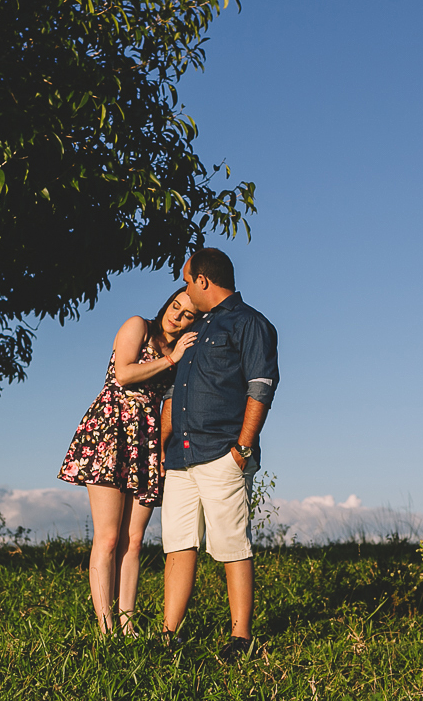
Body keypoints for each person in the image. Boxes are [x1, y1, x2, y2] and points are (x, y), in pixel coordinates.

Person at [159, 248, 278, 663]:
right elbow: (176, 393)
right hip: (180, 458)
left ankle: (240, 638)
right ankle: (167, 636)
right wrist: (161, 448)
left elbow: (260, 385)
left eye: (188, 280)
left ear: (204, 281)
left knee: (231, 545)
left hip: (221, 454)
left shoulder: (249, 323)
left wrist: (242, 449)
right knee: (177, 544)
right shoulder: (195, 332)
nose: (186, 288)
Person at [57, 288, 199, 635]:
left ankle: (127, 625)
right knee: (107, 538)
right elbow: (123, 374)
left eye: (187, 314)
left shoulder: (179, 350)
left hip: (146, 441)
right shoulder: (139, 326)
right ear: (166, 302)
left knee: (133, 540)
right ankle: (105, 629)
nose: (176, 316)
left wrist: (164, 448)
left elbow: (169, 402)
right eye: (175, 306)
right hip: (111, 430)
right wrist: (170, 360)